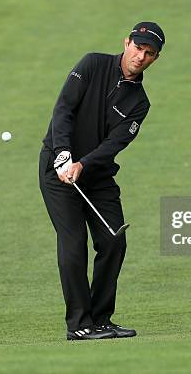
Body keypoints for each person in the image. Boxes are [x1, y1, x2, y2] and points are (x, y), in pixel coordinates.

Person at [39, 22, 165, 340]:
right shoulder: (92, 64)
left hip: (96, 175)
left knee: (113, 242)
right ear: (126, 42)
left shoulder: (139, 103)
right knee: (73, 243)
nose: (140, 56)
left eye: (149, 53)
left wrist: (83, 164)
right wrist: (64, 153)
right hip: (58, 168)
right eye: (137, 47)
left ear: (155, 59)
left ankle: (101, 319)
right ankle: (79, 325)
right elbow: (63, 109)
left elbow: (113, 145)